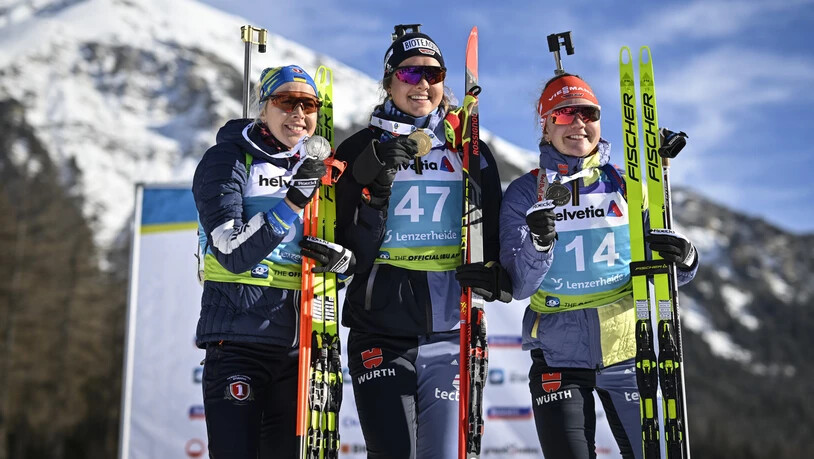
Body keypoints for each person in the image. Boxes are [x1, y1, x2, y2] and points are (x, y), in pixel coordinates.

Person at [499, 73, 699, 459]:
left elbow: (662, 270)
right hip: (557, 355)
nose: (578, 123)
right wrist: (540, 244)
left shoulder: (626, 185)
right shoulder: (525, 192)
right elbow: (519, 286)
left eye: (588, 113)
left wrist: (686, 260)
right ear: (545, 126)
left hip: (630, 349)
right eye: (564, 114)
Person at [334, 28, 512, 459]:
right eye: (410, 73)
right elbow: (346, 249)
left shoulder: (469, 149)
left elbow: (492, 238)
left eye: (433, 75)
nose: (422, 84)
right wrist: (374, 187)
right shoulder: (359, 148)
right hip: (379, 330)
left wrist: (495, 275)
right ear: (389, 81)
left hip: (450, 332)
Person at [192, 65, 354, 458]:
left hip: (302, 348)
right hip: (238, 342)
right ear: (263, 108)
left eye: (308, 105)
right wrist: (292, 201)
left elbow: (339, 252)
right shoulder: (228, 159)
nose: (298, 113)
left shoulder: (323, 170)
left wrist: (343, 264)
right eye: (286, 101)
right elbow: (231, 253)